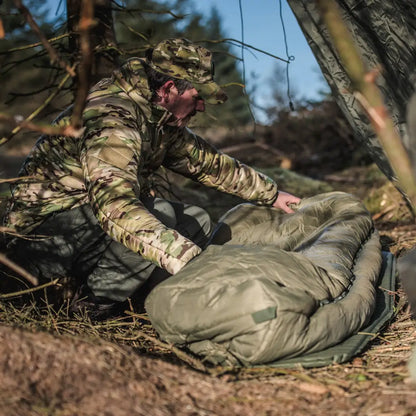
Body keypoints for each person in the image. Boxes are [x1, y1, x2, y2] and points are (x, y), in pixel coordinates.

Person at [2, 38, 300, 319]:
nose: (201, 106)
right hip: (37, 249)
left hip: (85, 236)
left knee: (195, 219)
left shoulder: (157, 117)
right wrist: (188, 259)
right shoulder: (113, 117)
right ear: (169, 89)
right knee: (160, 216)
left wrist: (273, 196)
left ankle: (152, 301)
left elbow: (209, 164)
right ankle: (88, 308)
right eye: (196, 97)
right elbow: (115, 209)